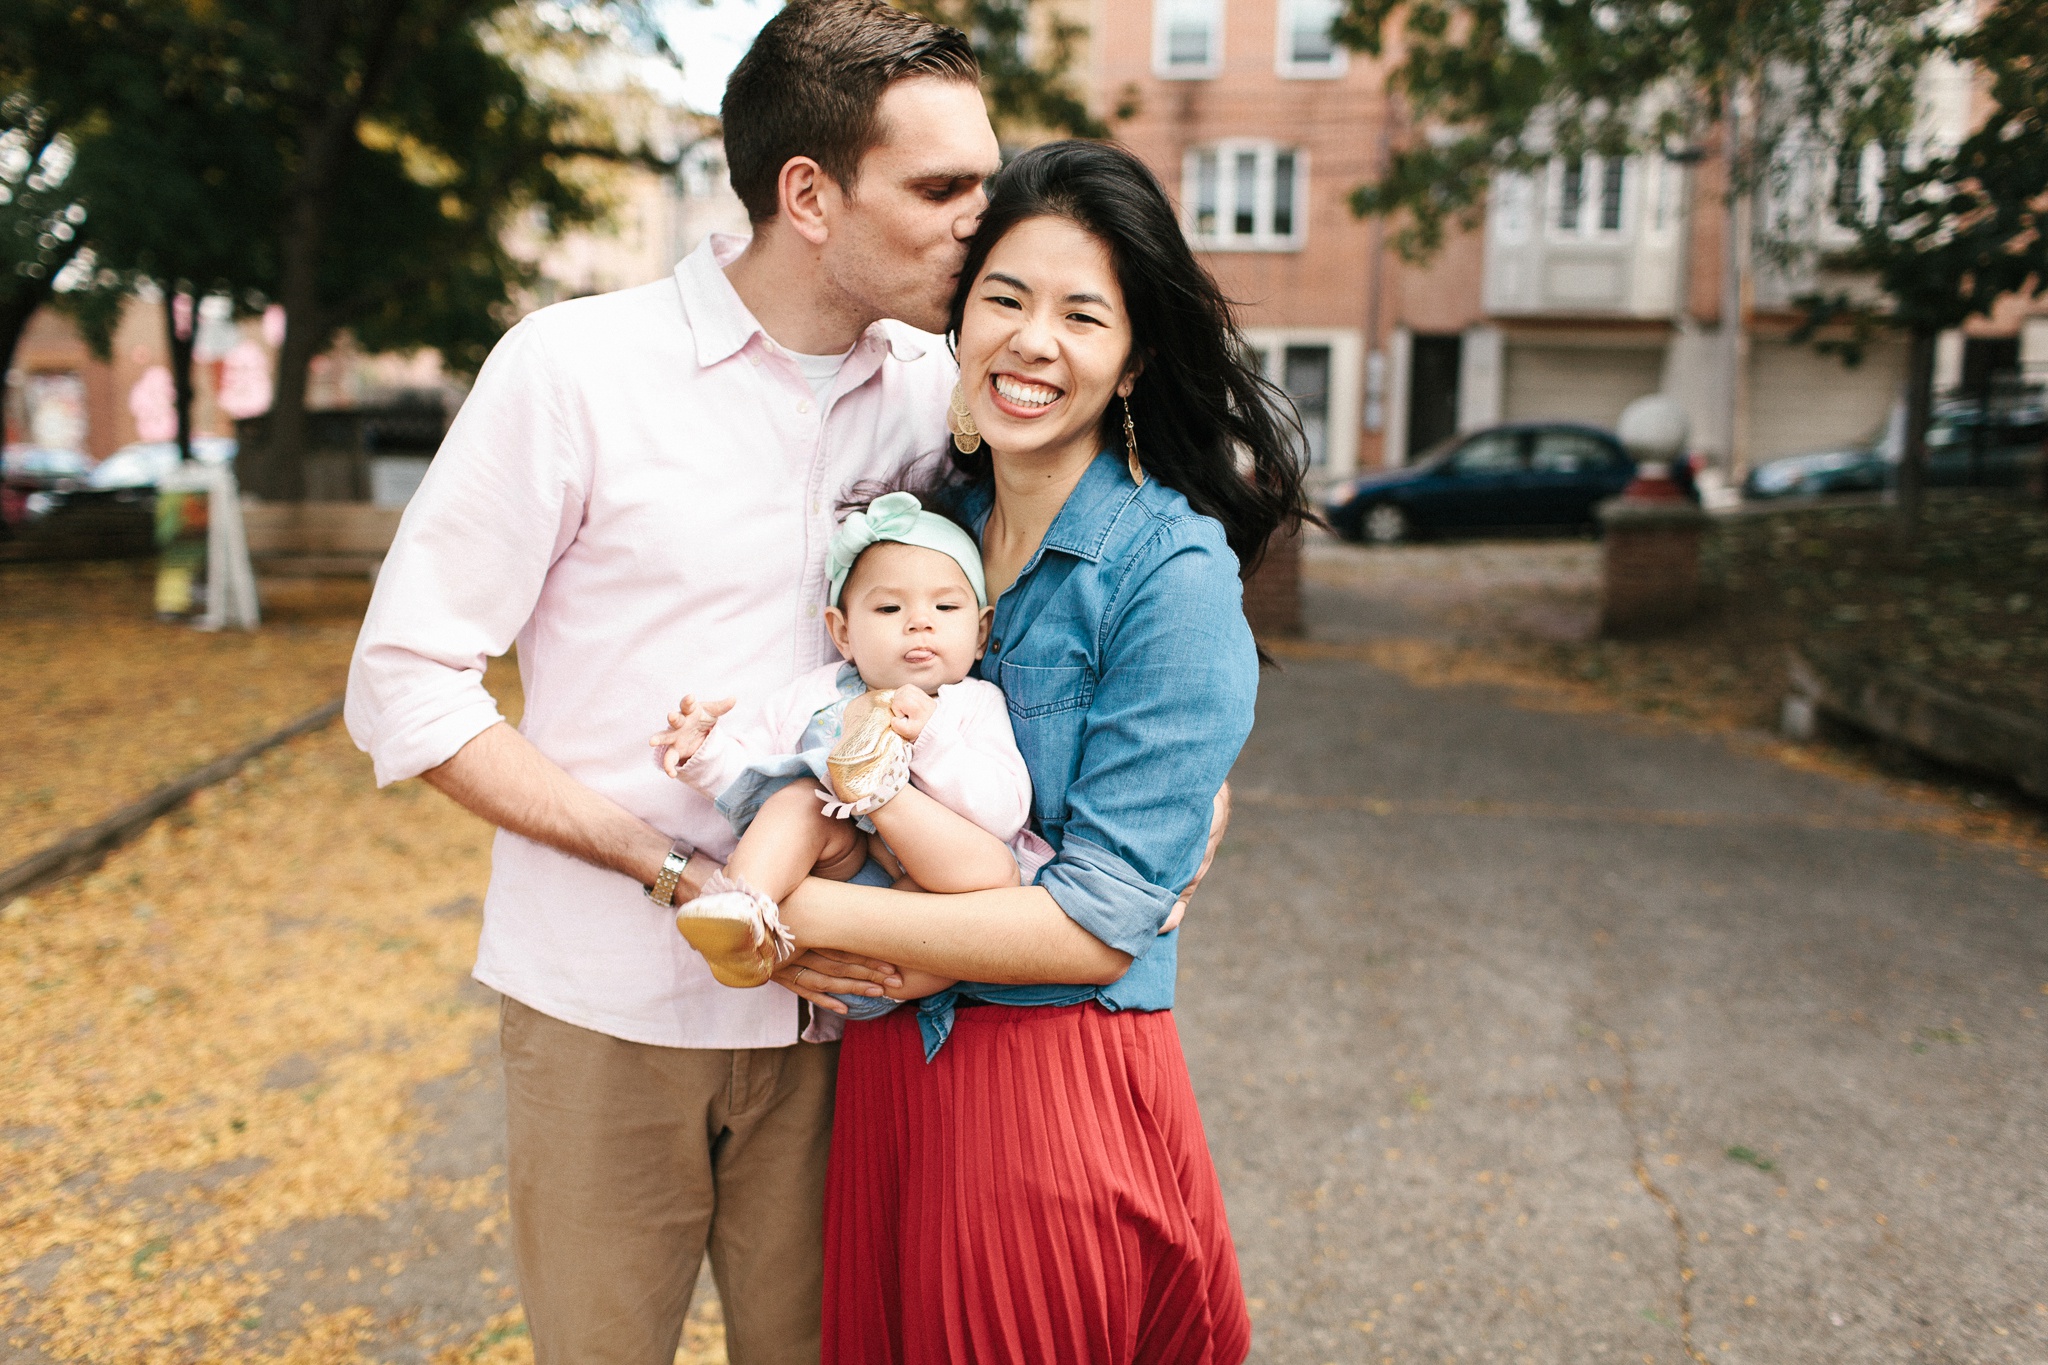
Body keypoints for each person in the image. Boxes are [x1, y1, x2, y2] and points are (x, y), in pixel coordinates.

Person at [343, 3, 1005, 1360]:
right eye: (942, 189)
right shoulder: (575, 369)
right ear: (807, 194)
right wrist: (668, 870)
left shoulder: (945, 387)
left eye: (984, 184)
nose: (978, 223)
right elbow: (407, 682)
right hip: (607, 1007)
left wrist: (1181, 785)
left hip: (850, 1017)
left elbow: (1069, 593)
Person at [770, 140, 1312, 1363]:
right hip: (893, 1076)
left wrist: (800, 911)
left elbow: (1094, 925)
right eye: (1004, 299)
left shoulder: (1167, 572)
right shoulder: (924, 533)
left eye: (1082, 314)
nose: (1032, 341)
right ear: (959, 321)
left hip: (1044, 1078)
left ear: (1132, 361)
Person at [650, 490, 1048, 996]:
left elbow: (1005, 812)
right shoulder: (813, 697)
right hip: (845, 875)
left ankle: (881, 792)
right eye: (888, 607)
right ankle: (744, 913)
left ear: (979, 631)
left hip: (926, 912)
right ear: (842, 633)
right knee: (796, 799)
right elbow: (752, 775)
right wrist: (703, 752)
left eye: (946, 605)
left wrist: (930, 740)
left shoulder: (972, 704)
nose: (919, 621)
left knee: (996, 868)